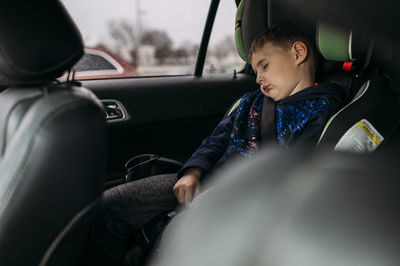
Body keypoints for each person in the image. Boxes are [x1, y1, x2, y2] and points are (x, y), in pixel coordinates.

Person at [88, 23, 344, 266]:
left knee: (176, 238)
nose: (258, 78)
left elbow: (293, 173)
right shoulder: (250, 102)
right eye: (255, 71)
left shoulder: (323, 109)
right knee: (110, 206)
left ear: (298, 53)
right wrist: (192, 171)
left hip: (247, 202)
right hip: (206, 182)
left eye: (264, 66)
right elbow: (216, 140)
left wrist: (225, 196)